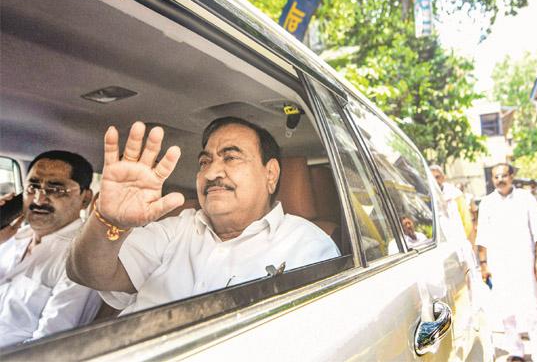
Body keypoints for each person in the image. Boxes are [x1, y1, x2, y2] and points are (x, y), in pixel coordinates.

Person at [67, 118, 340, 315]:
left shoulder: (309, 246)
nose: (211, 173)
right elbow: (89, 274)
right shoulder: (176, 228)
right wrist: (108, 221)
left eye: (231, 158)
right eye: (204, 162)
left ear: (270, 175)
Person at [0, 151, 101, 346]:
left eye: (56, 189)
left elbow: (49, 346)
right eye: (32, 187)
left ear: (85, 199)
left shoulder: (81, 257)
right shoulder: (10, 239)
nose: (39, 199)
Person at [475, 163, 537, 362]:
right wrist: (484, 264)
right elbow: (482, 237)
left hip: (524, 261)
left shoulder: (526, 199)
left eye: (504, 176)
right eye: (496, 177)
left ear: (512, 176)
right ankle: (516, 351)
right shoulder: (487, 203)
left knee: (532, 309)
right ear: (492, 180)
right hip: (499, 264)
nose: (500, 180)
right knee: (506, 310)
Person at [429, 165, 474, 241]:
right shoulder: (428, 198)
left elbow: (467, 222)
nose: (435, 181)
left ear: (443, 178)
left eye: (437, 177)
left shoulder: (455, 194)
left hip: (460, 240)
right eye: (432, 179)